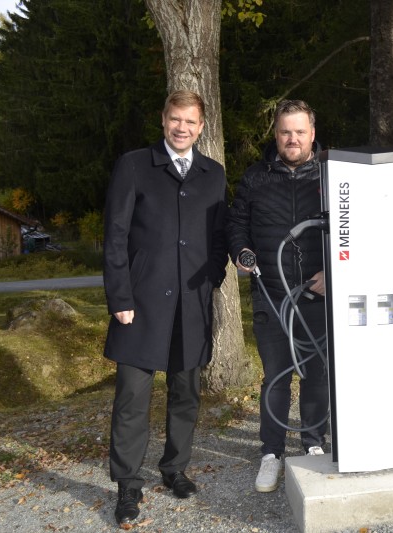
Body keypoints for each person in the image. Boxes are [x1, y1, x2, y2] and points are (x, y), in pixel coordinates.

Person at [103, 90, 228, 525]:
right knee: (132, 399)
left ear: (201, 126)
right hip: (139, 305)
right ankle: (127, 486)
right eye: (176, 119)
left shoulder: (214, 174)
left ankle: (175, 469)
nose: (182, 128)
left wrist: (213, 275)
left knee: (185, 394)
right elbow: (115, 236)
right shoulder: (135, 165)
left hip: (191, 306)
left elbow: (219, 237)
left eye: (191, 122)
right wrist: (120, 297)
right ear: (163, 119)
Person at [226, 99, 329, 493]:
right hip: (270, 294)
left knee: (317, 373)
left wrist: (333, 275)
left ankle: (314, 444)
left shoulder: (329, 178)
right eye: (286, 131)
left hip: (317, 294)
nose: (293, 139)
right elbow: (236, 223)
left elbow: (349, 231)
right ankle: (271, 453)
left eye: (300, 132)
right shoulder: (255, 178)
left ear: (312, 134)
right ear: (276, 134)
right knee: (277, 376)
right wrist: (242, 251)